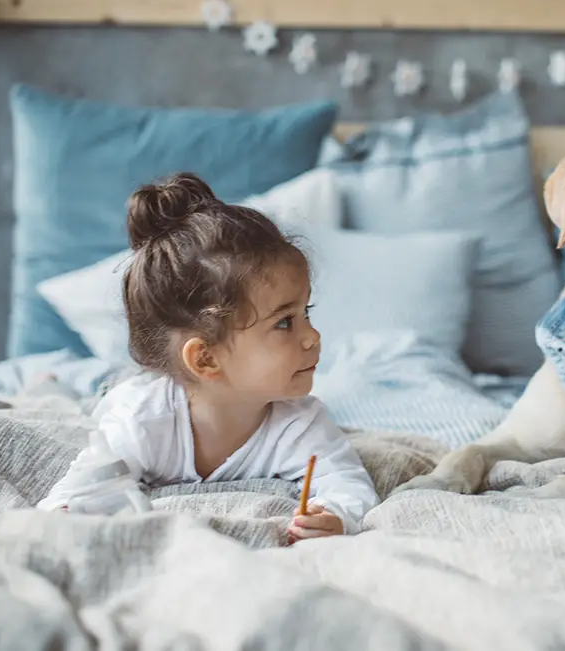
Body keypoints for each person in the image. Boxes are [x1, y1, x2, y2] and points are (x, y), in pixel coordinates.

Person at [37, 173, 379, 541]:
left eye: (305, 313)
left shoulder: (301, 422)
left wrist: (335, 515)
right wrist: (66, 513)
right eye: (284, 323)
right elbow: (73, 496)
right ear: (205, 360)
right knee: (81, 401)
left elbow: (349, 484)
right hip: (118, 393)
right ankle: (52, 387)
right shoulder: (141, 423)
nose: (313, 337)